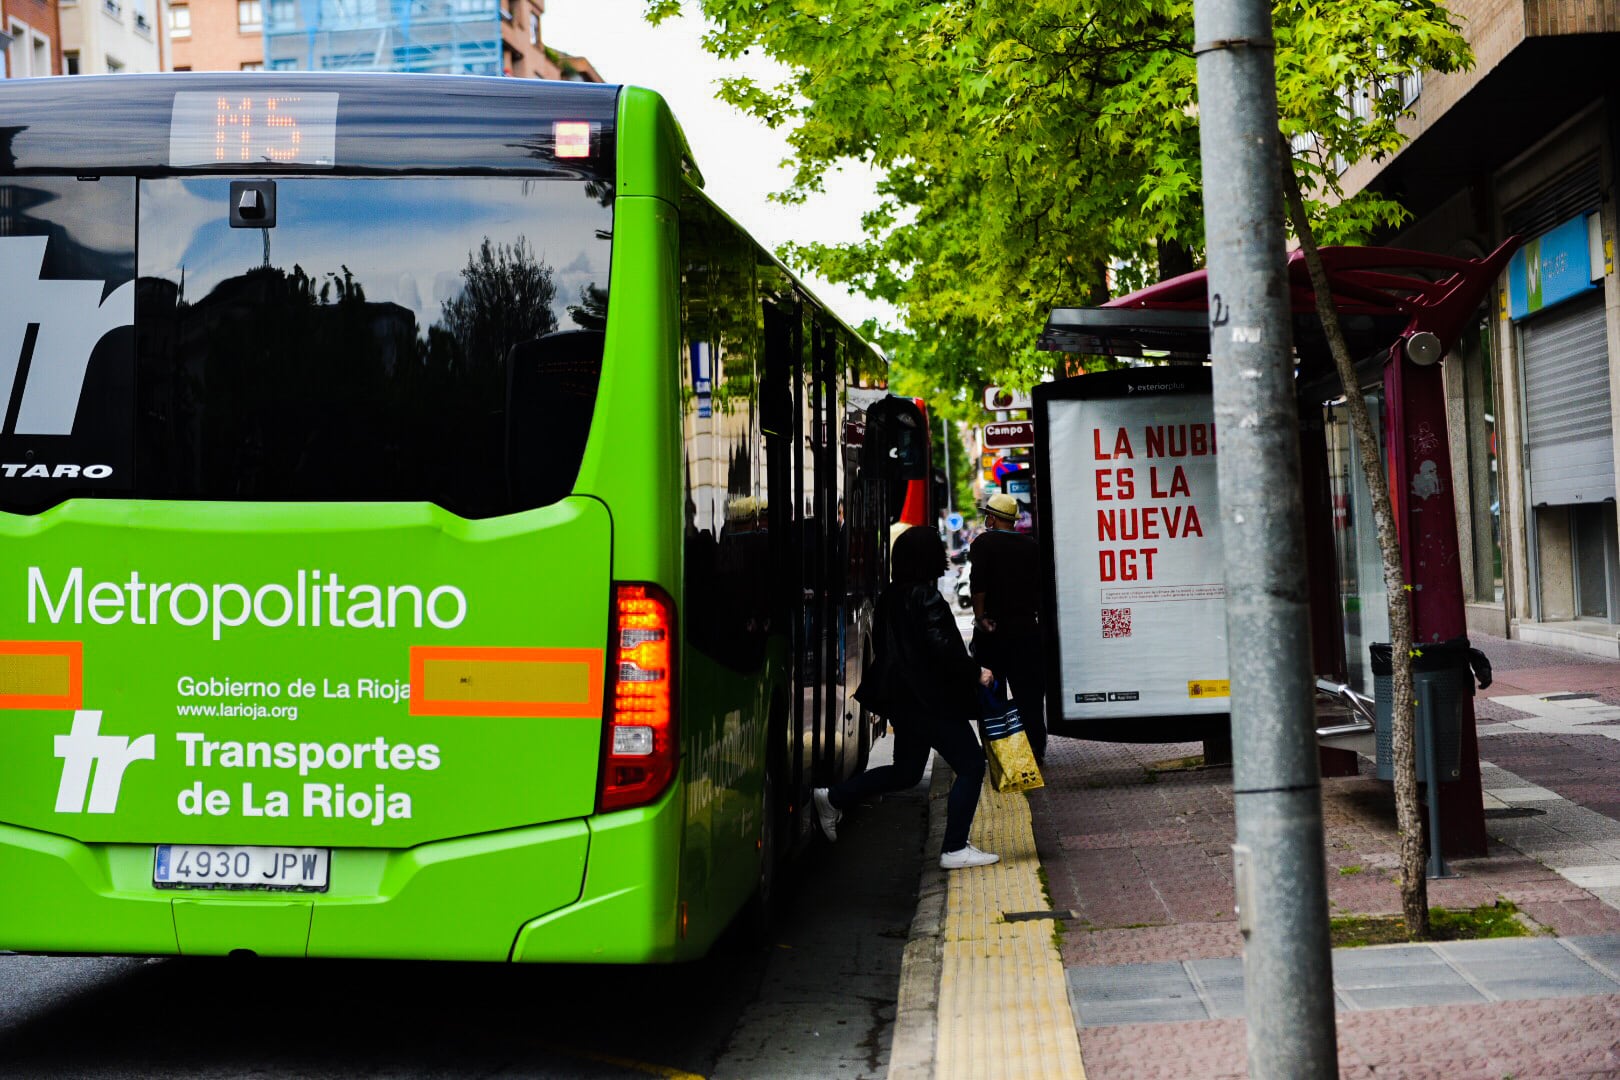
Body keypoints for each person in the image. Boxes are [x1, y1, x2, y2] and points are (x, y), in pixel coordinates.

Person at [813, 526, 999, 870]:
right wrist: (977, 672)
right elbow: (941, 648)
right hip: (931, 701)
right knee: (972, 765)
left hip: (904, 702)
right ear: (929, 558)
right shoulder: (927, 598)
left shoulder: (890, 596)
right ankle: (955, 847)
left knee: (908, 771)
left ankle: (832, 797)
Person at [970, 492, 1047, 761]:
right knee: (1029, 692)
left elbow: (978, 586)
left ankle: (997, 748)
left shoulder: (983, 543)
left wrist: (981, 618)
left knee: (992, 691)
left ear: (992, 518)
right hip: (1026, 628)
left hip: (994, 630)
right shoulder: (1031, 545)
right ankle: (1036, 747)